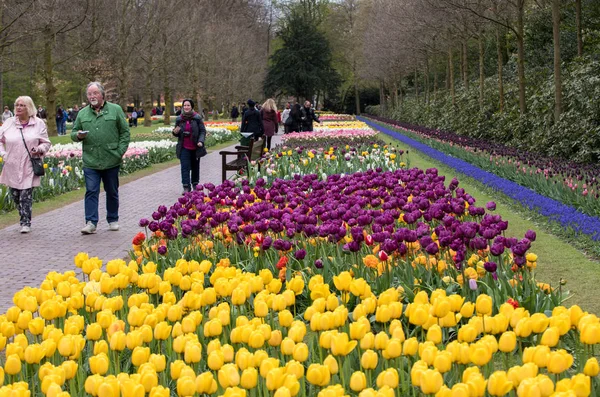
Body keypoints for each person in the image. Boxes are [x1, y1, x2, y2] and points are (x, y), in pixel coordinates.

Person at [71, 81, 130, 234]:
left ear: (102, 94)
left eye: (95, 93)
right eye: (89, 94)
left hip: (111, 159)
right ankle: (91, 222)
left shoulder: (115, 110)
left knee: (111, 191)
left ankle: (113, 219)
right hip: (91, 160)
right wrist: (77, 136)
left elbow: (125, 132)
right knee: (91, 190)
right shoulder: (82, 113)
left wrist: (120, 151)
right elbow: (74, 131)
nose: (92, 96)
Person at [0, 96, 51, 233]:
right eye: (17, 105)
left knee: (25, 194)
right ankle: (22, 215)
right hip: (12, 165)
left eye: (22, 105)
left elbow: (46, 143)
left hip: (29, 164)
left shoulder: (38, 123)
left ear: (29, 108)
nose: (18, 107)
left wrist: (39, 149)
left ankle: (25, 222)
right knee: (15, 194)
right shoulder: (9, 123)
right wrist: (3, 154)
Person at [172, 99, 207, 194]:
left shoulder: (197, 118)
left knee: (195, 167)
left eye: (188, 105)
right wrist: (175, 132)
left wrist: (200, 141)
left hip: (195, 147)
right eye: (185, 105)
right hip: (184, 147)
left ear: (191, 106)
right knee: (185, 167)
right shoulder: (179, 119)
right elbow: (176, 132)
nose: (186, 107)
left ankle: (195, 185)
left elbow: (203, 131)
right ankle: (186, 187)